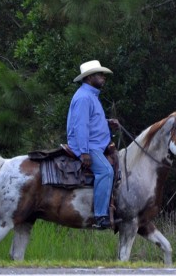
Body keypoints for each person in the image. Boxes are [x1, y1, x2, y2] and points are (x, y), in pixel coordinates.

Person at [66, 60, 119, 230]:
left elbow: (91, 120)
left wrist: (107, 122)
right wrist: (84, 152)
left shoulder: (91, 96)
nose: (103, 77)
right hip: (89, 145)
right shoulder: (84, 97)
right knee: (105, 171)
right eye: (100, 74)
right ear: (89, 78)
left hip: (94, 143)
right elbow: (81, 125)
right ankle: (100, 216)